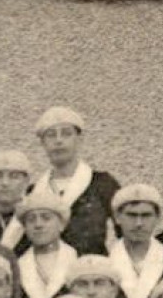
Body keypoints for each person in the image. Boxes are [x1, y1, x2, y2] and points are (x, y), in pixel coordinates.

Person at [29, 105, 120, 256]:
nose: (58, 141)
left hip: (91, 267)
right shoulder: (34, 192)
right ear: (42, 143)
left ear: (79, 139)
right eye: (51, 135)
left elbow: (126, 232)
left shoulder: (101, 184)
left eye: (66, 134)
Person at [107, 183, 163, 298]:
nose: (138, 224)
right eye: (131, 215)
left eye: (146, 215)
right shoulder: (105, 261)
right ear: (117, 218)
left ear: (157, 218)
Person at [14, 191, 79, 298]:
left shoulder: (77, 260)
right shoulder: (18, 265)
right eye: (31, 219)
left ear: (61, 225)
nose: (38, 224)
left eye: (46, 218)